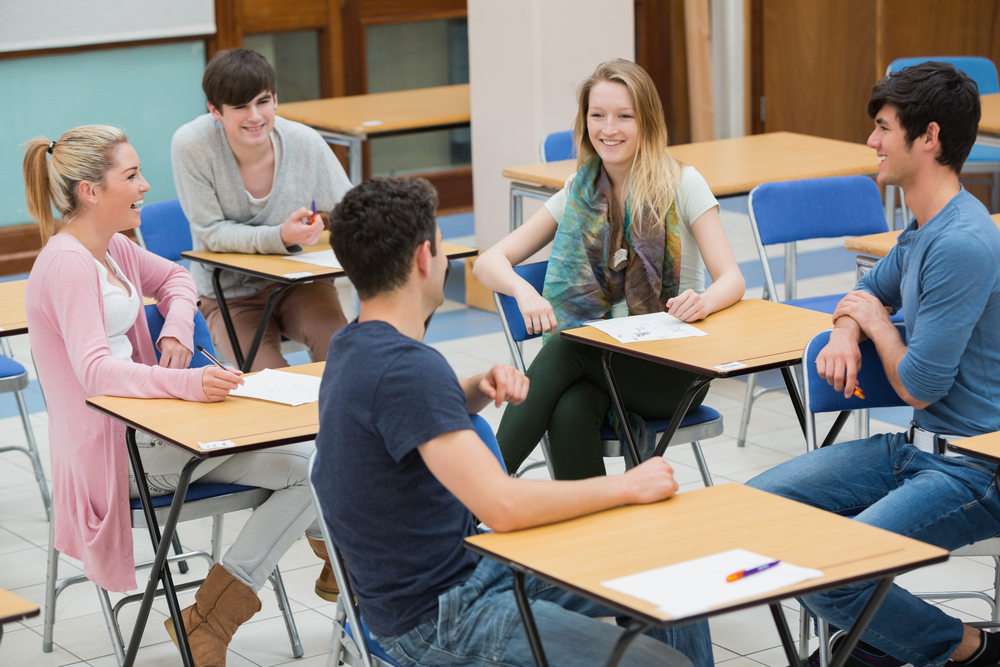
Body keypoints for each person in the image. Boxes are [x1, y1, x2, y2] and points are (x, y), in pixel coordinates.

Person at [311, 176, 712, 667]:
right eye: (440, 248)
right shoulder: (407, 369)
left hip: (465, 573)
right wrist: (627, 486)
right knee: (662, 665)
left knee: (668, 560)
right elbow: (503, 506)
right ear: (423, 259)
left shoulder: (352, 345)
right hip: (442, 615)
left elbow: (402, 413)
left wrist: (477, 386)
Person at [23, 125, 337, 667]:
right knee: (309, 469)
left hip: (153, 429)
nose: (145, 185)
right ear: (91, 192)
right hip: (115, 454)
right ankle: (313, 568)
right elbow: (96, 373)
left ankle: (207, 621)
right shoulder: (68, 262)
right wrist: (187, 384)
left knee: (311, 463)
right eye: (132, 175)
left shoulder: (112, 246)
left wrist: (175, 324)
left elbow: (176, 278)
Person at [747, 62, 1000, 667]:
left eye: (883, 127)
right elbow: (864, 291)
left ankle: (968, 649)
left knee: (834, 574)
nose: (872, 141)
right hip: (915, 450)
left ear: (929, 138)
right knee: (752, 513)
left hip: (975, 471)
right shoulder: (923, 228)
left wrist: (877, 324)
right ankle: (875, 643)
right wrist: (844, 331)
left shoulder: (960, 242)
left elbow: (916, 385)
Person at [474, 59, 744, 479]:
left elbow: (733, 279)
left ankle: (476, 493)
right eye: (597, 115)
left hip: (674, 369)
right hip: (603, 365)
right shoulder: (579, 190)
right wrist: (524, 291)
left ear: (648, 121)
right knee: (570, 407)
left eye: (624, 116)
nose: (608, 128)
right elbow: (489, 263)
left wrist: (704, 300)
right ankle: (593, 536)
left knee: (569, 344)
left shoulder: (683, 184)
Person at [171, 47, 351, 373]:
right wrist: (280, 236)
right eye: (240, 107)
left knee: (343, 357)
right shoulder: (192, 145)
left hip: (299, 284)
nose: (255, 116)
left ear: (275, 100)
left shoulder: (304, 141)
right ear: (215, 110)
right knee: (269, 383)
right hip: (229, 294)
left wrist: (323, 221)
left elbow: (352, 211)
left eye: (263, 102)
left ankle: (339, 423)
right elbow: (210, 231)